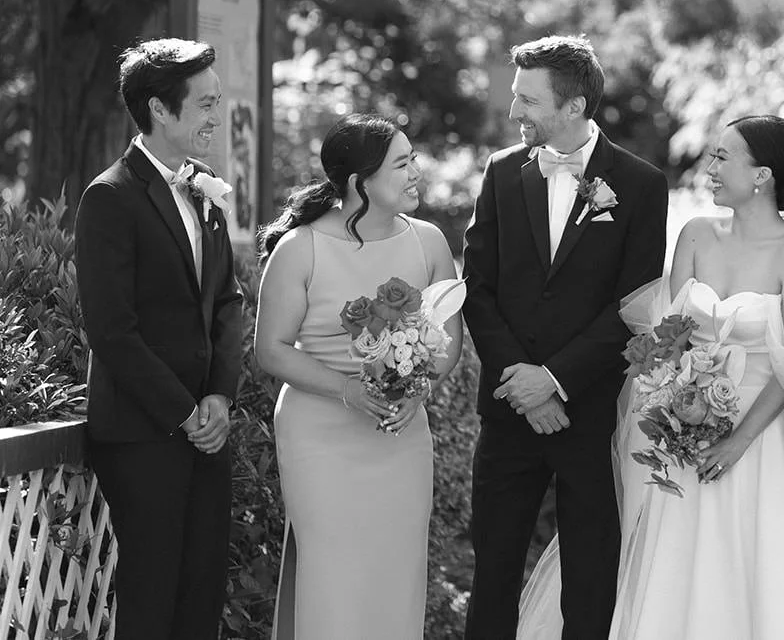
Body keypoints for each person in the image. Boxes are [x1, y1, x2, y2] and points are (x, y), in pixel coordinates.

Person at [463, 35, 669, 640]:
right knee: (494, 572)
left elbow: (633, 305)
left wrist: (553, 380)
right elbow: (478, 287)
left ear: (574, 105)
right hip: (508, 410)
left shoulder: (641, 184)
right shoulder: (502, 173)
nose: (514, 112)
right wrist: (522, 383)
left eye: (527, 99)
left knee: (591, 572)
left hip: (591, 410)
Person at [605, 114, 784, 637]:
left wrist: (735, 443)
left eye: (723, 157)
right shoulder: (696, 234)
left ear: (763, 175)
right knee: (675, 565)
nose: (711, 166)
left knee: (748, 570)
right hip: (681, 433)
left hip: (760, 439)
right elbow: (670, 334)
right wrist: (672, 408)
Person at [255, 114, 463, 639]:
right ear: (359, 183)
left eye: (413, 159)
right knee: (333, 576)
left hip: (400, 436)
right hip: (319, 438)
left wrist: (417, 389)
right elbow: (271, 350)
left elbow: (448, 341)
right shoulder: (299, 248)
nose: (416, 171)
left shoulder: (430, 242)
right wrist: (348, 389)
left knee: (397, 572)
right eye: (402, 163)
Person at [75, 38, 243, 640]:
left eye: (218, 100)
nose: (217, 116)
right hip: (143, 433)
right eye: (204, 104)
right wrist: (185, 413)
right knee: (152, 601)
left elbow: (228, 301)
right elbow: (111, 330)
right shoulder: (110, 197)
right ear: (159, 110)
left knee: (201, 597)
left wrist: (220, 397)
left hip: (208, 427)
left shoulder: (207, 191)